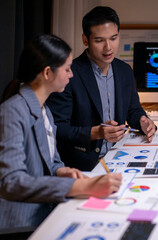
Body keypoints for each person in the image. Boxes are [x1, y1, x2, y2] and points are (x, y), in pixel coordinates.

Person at [0, 34, 122, 230]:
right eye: (67, 69)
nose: (71, 75)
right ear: (48, 73)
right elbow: (12, 182)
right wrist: (81, 187)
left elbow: (50, 161)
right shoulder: (13, 111)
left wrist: (60, 170)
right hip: (21, 225)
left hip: (46, 212)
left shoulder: (44, 109)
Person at [47, 6, 156, 171]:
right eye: (99, 40)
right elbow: (57, 129)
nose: (108, 48)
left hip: (119, 159)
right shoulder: (69, 74)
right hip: (81, 166)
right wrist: (95, 133)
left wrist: (143, 120)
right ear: (86, 40)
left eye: (113, 38)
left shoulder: (124, 70)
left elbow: (133, 110)